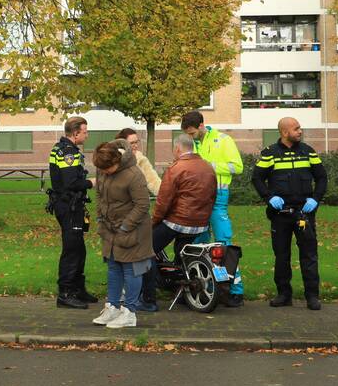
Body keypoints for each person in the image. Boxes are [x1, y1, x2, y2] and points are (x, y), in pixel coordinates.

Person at [251, 117, 328, 310]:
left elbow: (322, 177)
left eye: (300, 128)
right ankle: (284, 295)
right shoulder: (270, 153)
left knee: (309, 255)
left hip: (305, 212)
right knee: (282, 256)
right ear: (285, 132)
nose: (300, 131)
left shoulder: (308, 151)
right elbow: (257, 178)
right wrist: (269, 198)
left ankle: (312, 296)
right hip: (280, 214)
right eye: (296, 129)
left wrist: (315, 199)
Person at [139, 133, 217, 309]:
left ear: (177, 149)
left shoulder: (176, 168)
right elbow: (213, 195)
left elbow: (163, 200)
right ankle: (181, 291)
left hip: (178, 221)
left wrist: (154, 221)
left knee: (146, 249)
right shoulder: (208, 167)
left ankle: (148, 299)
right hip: (200, 223)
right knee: (181, 254)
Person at [180, 111, 245, 307]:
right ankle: (196, 288)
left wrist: (210, 166)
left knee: (223, 243)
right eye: (187, 134)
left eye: (192, 133)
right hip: (197, 197)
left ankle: (235, 291)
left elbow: (237, 167)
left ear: (201, 126)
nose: (189, 138)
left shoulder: (222, 140)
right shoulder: (192, 143)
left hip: (218, 196)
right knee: (197, 243)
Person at [91, 140, 154, 329]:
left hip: (132, 230)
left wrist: (126, 226)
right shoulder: (102, 169)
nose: (106, 172)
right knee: (113, 267)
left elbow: (143, 204)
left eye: (109, 168)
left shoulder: (134, 174)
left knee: (131, 269)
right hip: (110, 229)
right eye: (103, 169)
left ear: (117, 160)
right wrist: (101, 218)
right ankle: (113, 306)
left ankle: (129, 313)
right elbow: (100, 195)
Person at [48, 116, 96, 309]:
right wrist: (91, 182)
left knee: (79, 248)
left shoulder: (59, 147)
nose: (87, 134)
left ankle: (77, 288)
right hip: (69, 205)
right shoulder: (69, 152)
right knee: (71, 249)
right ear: (75, 133)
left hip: (68, 205)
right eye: (85, 131)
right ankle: (66, 293)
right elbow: (71, 183)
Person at [114, 128, 161, 196]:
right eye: (132, 143)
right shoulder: (113, 159)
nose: (135, 146)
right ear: (122, 144)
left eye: (136, 142)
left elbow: (153, 181)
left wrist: (166, 194)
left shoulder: (141, 159)